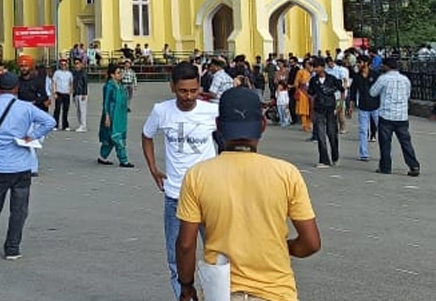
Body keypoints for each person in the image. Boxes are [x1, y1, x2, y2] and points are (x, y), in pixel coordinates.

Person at [176, 87, 321, 301]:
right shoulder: (286, 173)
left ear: (218, 126)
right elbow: (311, 243)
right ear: (262, 126)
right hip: (276, 293)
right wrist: (282, 247)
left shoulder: (197, 175)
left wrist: (186, 286)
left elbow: (186, 245)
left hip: (222, 293)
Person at [141, 62, 219, 298]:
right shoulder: (161, 111)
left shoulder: (211, 111)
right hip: (176, 195)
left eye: (193, 90)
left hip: (209, 195)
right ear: (172, 87)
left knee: (217, 255)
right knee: (177, 258)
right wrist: (153, 168)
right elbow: (146, 135)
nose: (188, 96)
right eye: (183, 91)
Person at [0, 70, 56, 261]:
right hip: (22, 166)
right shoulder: (26, 108)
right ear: (17, 88)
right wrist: (32, 136)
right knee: (19, 210)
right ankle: (12, 248)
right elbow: (50, 121)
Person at [369, 57, 420, 177]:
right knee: (406, 142)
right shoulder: (405, 79)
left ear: (387, 66)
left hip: (386, 115)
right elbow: (407, 95)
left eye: (383, 65)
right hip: (402, 116)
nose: (381, 67)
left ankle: (385, 167)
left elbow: (373, 92)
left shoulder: (383, 79)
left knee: (385, 143)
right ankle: (414, 165)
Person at [307, 57, 343, 168]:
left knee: (332, 134)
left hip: (331, 109)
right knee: (321, 135)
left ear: (322, 67)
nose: (314, 69)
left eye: (316, 67)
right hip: (318, 109)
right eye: (314, 67)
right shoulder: (313, 80)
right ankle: (323, 160)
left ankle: (335, 155)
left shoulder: (332, 79)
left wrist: (340, 105)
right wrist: (311, 111)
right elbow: (311, 95)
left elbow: (342, 90)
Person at [98, 63, 134, 167]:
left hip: (121, 115)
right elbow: (105, 102)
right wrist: (107, 117)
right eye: (118, 73)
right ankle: (124, 160)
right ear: (112, 75)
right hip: (112, 115)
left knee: (111, 138)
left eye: (120, 72)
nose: (120, 74)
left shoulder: (120, 85)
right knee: (116, 137)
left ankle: (102, 156)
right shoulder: (109, 86)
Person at [349, 55, 380, 161]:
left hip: (376, 106)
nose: (358, 64)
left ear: (366, 63)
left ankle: (384, 152)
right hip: (363, 106)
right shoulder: (357, 77)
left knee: (382, 130)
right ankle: (364, 153)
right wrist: (351, 105)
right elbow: (353, 92)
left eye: (360, 62)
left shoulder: (375, 75)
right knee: (363, 130)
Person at [51, 58, 73, 131]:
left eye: (65, 64)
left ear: (66, 65)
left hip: (66, 93)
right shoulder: (57, 73)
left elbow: (71, 83)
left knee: (65, 110)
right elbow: (54, 83)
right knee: (57, 109)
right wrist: (54, 92)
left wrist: (70, 91)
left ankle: (65, 125)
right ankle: (55, 125)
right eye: (62, 64)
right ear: (60, 65)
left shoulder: (69, 73)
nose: (63, 66)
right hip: (59, 93)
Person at [71, 57, 89, 132]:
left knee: (82, 110)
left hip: (82, 93)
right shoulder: (74, 73)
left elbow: (85, 83)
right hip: (76, 93)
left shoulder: (83, 72)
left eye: (78, 63)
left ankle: (83, 125)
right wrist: (73, 94)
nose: (76, 65)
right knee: (78, 110)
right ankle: (80, 124)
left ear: (81, 64)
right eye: (75, 63)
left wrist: (84, 94)